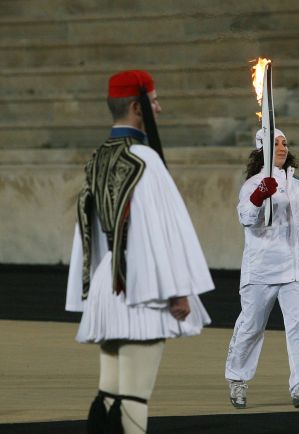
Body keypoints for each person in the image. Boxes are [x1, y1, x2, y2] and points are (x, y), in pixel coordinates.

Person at [65, 69, 214, 433]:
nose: (159, 109)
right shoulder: (145, 161)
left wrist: (91, 289)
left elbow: (86, 234)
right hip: (141, 288)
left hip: (107, 285)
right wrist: (177, 290)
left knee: (110, 393)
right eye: (155, 101)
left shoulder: (97, 158)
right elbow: (160, 230)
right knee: (134, 396)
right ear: (136, 107)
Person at [225, 128, 299, 409]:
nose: (282, 148)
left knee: (297, 326)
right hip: (261, 269)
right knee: (251, 326)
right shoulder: (252, 184)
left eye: (285, 143)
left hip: (293, 269)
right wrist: (258, 196)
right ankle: (237, 379)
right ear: (261, 150)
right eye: (275, 143)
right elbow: (246, 218)